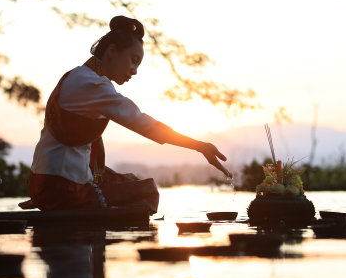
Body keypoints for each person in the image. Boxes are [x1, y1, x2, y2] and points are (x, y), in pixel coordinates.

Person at [20, 16, 232, 214]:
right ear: (111, 52)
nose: (134, 70)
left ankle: (50, 198)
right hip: (62, 187)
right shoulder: (93, 86)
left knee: (129, 180)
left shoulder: (77, 76)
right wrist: (199, 146)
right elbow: (145, 124)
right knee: (147, 192)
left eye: (137, 64)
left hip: (44, 180)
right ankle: (80, 216)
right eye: (133, 60)